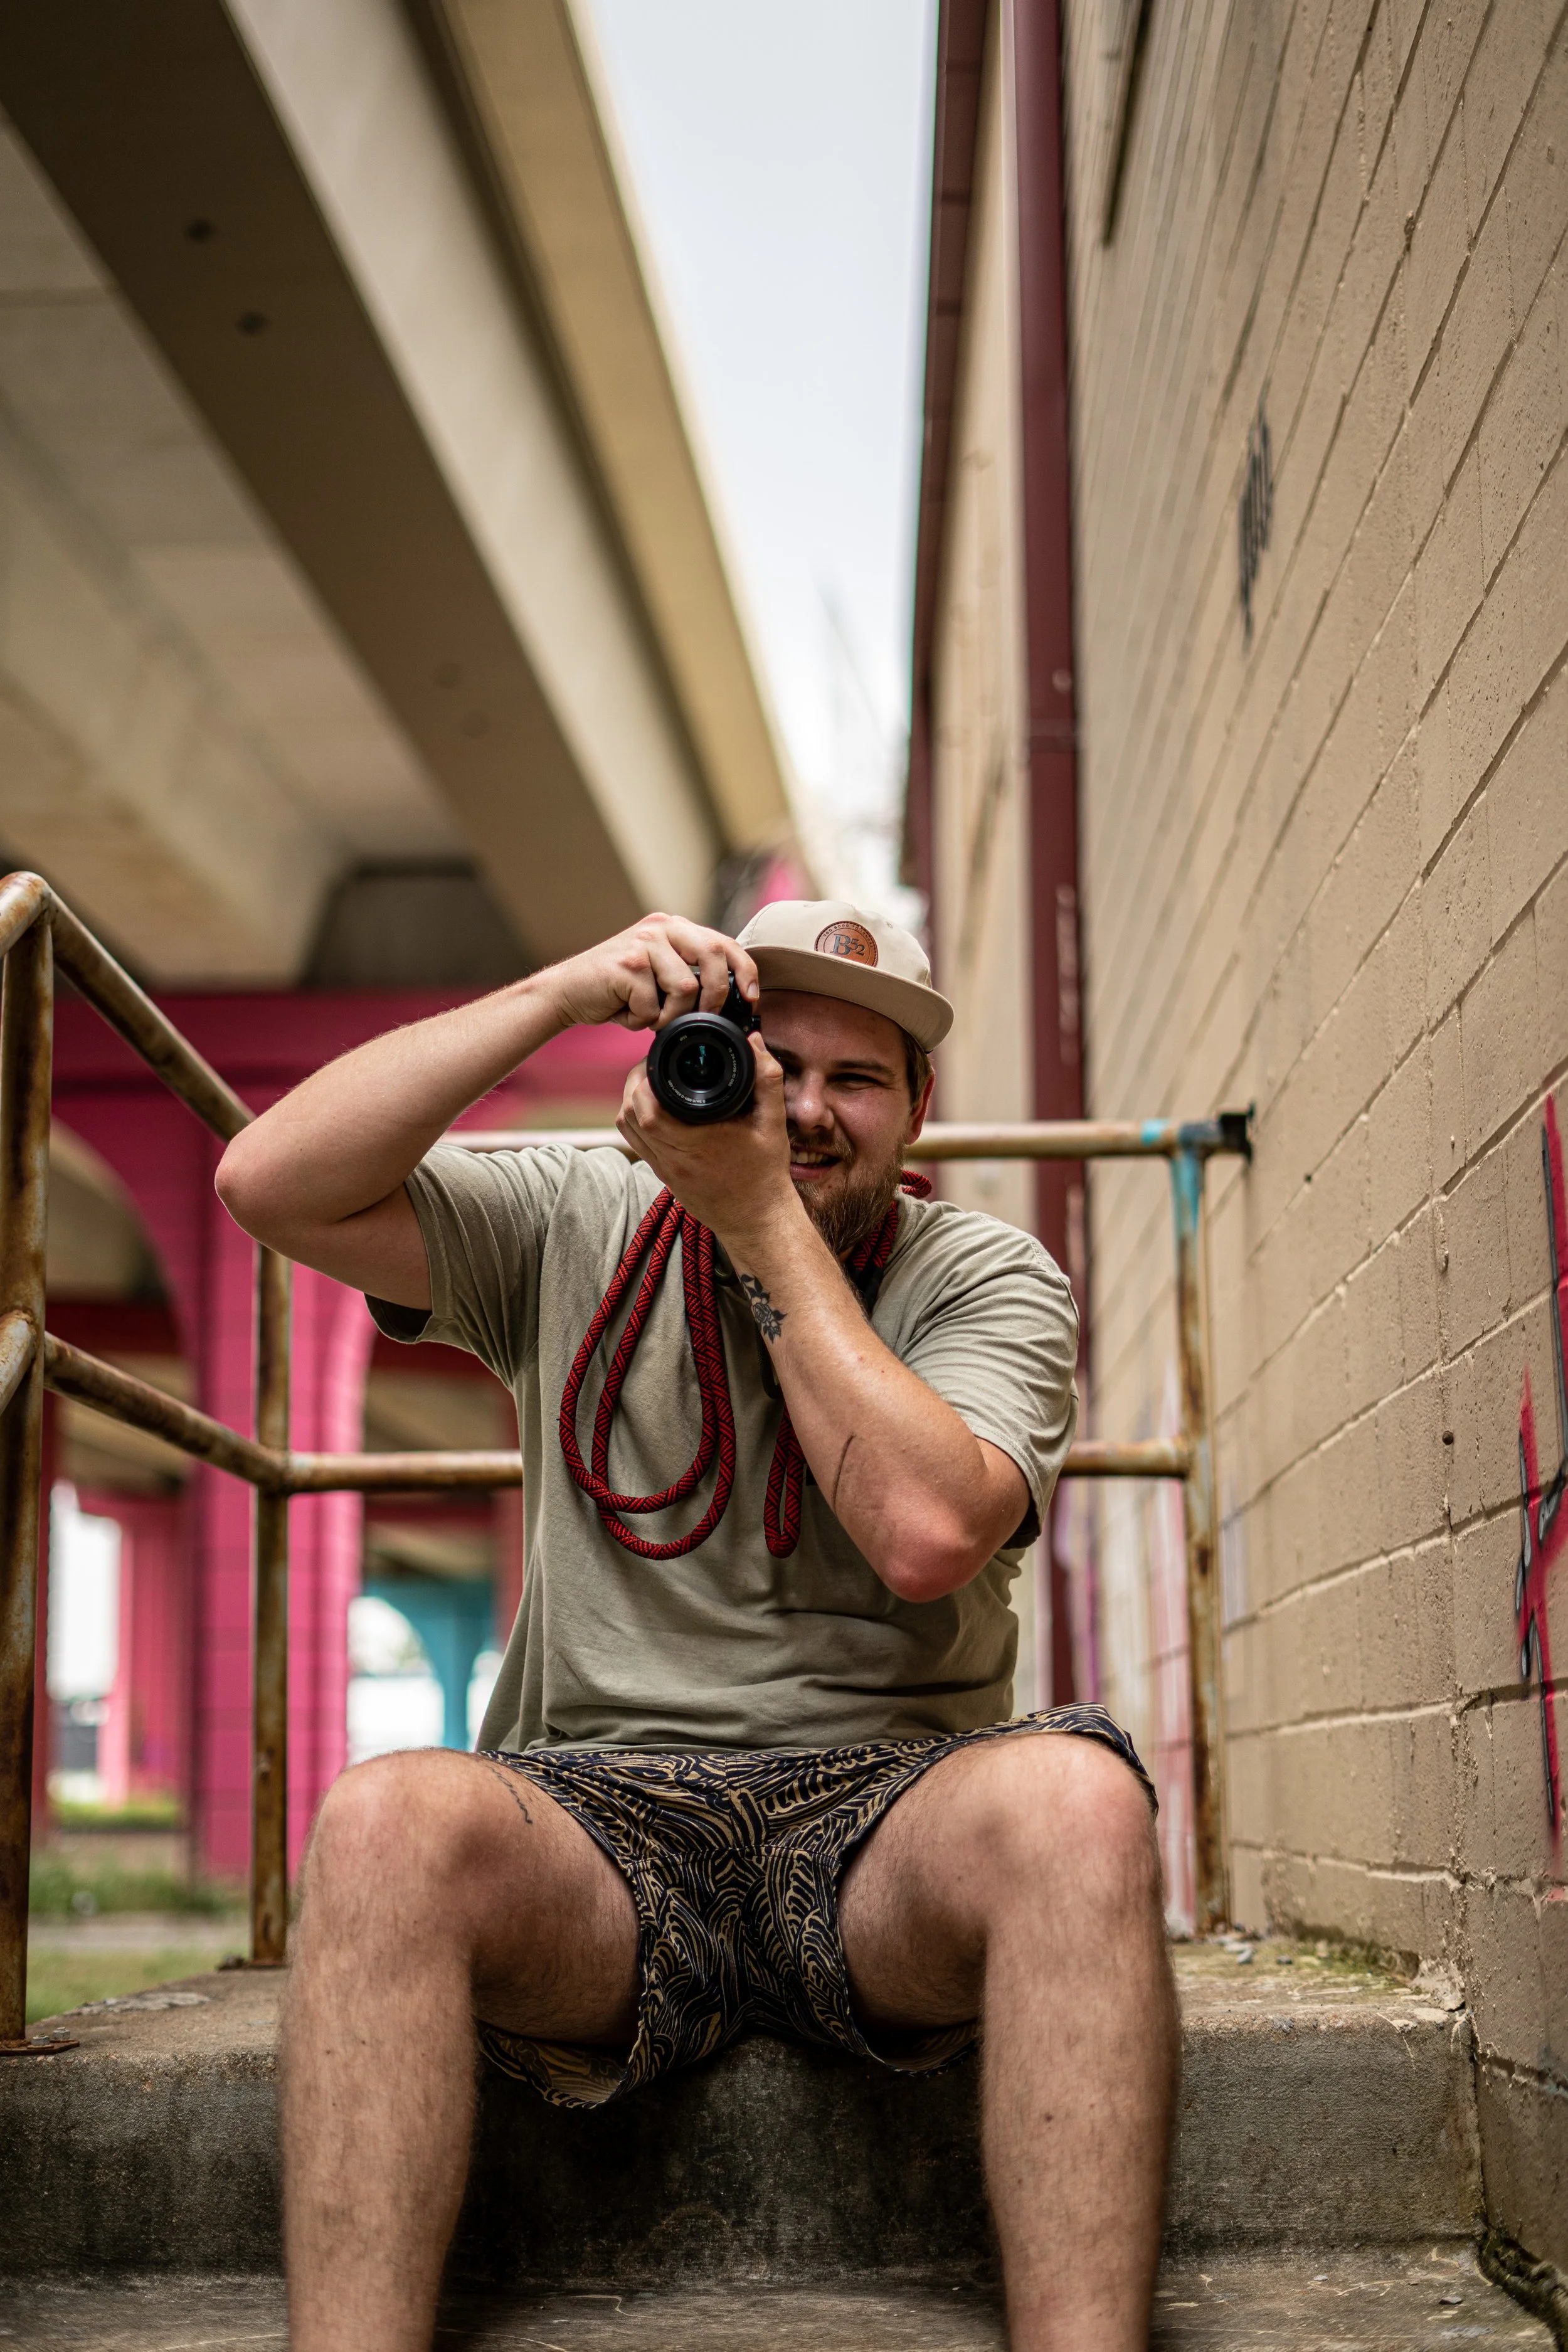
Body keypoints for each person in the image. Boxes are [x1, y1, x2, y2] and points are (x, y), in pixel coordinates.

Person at [215, 898, 1177, 2352]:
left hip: (887, 1828)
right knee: (382, 1821)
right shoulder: (577, 1210)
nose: (801, 1109)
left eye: (855, 1079)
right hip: (599, 1825)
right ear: (684, 1062)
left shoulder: (983, 1278)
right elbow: (268, 1185)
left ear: (918, 1110)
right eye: (765, 1059)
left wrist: (752, 1221)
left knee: (1076, 1803)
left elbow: (924, 1535)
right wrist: (553, 991)